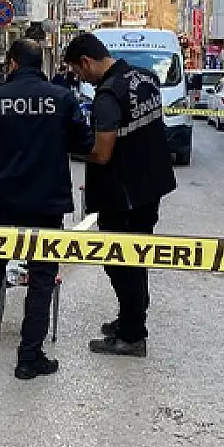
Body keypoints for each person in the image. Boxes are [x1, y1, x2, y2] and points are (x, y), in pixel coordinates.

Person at [0, 39, 94, 379]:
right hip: (47, 202)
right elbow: (84, 143)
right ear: (39, 63)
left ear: (13, 63)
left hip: (2, 201)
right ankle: (29, 357)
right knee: (42, 276)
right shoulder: (63, 99)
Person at [63, 32, 177, 357]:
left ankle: (132, 335)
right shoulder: (146, 78)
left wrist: (69, 148)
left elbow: (102, 154)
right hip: (150, 185)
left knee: (120, 261)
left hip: (123, 193)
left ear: (86, 62)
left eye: (77, 71)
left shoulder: (108, 95)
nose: (79, 78)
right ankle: (131, 318)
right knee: (137, 257)